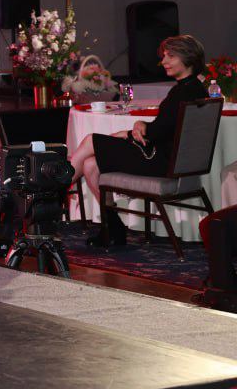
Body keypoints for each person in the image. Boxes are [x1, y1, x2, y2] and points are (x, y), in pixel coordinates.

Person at [71, 34, 209, 246]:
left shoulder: (182, 92)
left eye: (170, 56)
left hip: (160, 161)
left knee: (91, 140)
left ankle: (54, 191)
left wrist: (130, 132)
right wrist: (139, 126)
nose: (164, 61)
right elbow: (165, 127)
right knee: (90, 165)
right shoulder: (194, 88)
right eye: (164, 56)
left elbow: (156, 132)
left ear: (188, 58)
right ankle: (112, 227)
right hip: (167, 159)